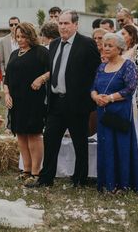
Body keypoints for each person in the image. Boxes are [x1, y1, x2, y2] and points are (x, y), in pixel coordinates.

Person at [26, 10, 101, 188]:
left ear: (76, 25)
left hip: (77, 103)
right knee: (51, 141)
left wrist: (90, 101)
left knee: (80, 143)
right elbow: (55, 71)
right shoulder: (53, 45)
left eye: (67, 23)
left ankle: (80, 179)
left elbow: (95, 74)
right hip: (56, 103)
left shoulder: (87, 44)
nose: (63, 27)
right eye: (60, 23)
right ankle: (46, 179)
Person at [90, 33, 138, 193]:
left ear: (119, 49)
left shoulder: (128, 66)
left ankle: (123, 184)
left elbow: (130, 88)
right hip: (103, 113)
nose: (105, 48)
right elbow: (93, 87)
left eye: (109, 45)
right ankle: (108, 183)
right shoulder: (101, 66)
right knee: (106, 146)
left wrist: (111, 98)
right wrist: (96, 97)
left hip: (119, 113)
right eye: (104, 45)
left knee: (121, 147)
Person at [4, 22, 50, 181]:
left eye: (23, 36)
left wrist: (41, 78)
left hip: (34, 100)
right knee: (21, 135)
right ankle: (26, 170)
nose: (20, 39)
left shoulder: (41, 52)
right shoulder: (14, 53)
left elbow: (53, 70)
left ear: (31, 36)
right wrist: (7, 94)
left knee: (34, 135)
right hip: (16, 101)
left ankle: (36, 172)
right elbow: (6, 78)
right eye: (17, 36)